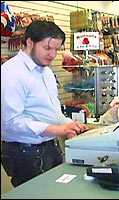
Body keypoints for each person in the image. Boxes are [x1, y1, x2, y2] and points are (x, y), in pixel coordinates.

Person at [1, 20, 89, 187]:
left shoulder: (46, 71)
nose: (52, 54)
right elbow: (11, 122)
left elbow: (51, 110)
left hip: (49, 148)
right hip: (26, 153)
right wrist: (58, 129)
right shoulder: (11, 73)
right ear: (30, 42)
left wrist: (70, 126)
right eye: (47, 48)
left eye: (56, 49)